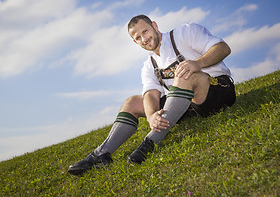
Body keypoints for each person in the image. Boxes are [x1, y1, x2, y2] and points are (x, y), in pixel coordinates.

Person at [67, 14, 236, 175]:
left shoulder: (185, 33)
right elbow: (150, 94)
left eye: (145, 31)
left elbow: (223, 48)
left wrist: (197, 63)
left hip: (216, 92)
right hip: (188, 106)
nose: (144, 39)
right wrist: (151, 116)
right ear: (135, 41)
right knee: (132, 102)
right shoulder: (149, 65)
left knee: (185, 72)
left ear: (154, 26)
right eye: (138, 37)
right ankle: (100, 155)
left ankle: (150, 143)